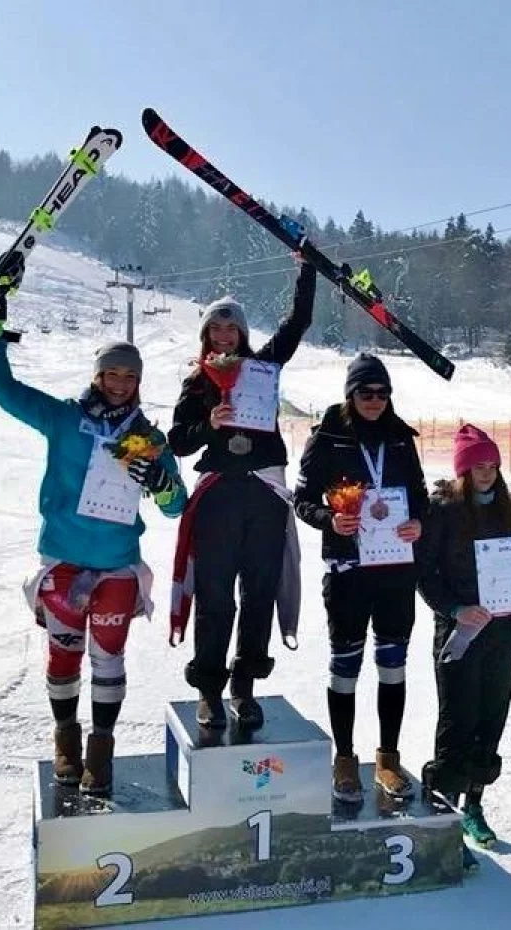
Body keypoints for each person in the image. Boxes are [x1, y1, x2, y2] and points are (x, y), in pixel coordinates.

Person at [0, 275, 185, 797]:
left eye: (128, 376)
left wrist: (160, 483)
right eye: (111, 373)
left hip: (117, 566)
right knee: (64, 656)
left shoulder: (148, 438)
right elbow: (1, 390)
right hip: (63, 563)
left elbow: (176, 503)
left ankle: (102, 750)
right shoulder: (64, 420)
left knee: (108, 660)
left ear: (138, 382)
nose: (119, 383)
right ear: (98, 375)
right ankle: (66, 738)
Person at [168, 256, 316, 729]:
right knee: (215, 597)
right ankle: (210, 689)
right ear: (207, 336)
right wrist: (207, 424)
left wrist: (306, 271)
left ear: (244, 333)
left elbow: (298, 324)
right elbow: (177, 441)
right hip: (218, 497)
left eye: (232, 330)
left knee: (259, 594)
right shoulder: (196, 382)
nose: (225, 337)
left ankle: (245, 686)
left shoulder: (264, 367)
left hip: (265, 496)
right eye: (216, 330)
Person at [293, 353, 428, 802]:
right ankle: (345, 758)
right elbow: (302, 500)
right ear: (350, 395)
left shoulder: (401, 440)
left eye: (382, 393)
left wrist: (419, 525)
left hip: (394, 571)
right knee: (346, 667)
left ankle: (388, 757)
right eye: (365, 392)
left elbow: (420, 498)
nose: (374, 400)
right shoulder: (327, 438)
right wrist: (329, 520)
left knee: (393, 666)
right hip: (348, 571)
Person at [417, 425, 511, 848]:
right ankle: (442, 814)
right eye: (477, 466)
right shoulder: (444, 510)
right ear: (462, 471)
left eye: (492, 465)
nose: (486, 473)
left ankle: (473, 803)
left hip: (504, 630)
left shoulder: (510, 509)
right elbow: (426, 574)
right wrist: (454, 610)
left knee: (491, 719)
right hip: (461, 631)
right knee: (458, 721)